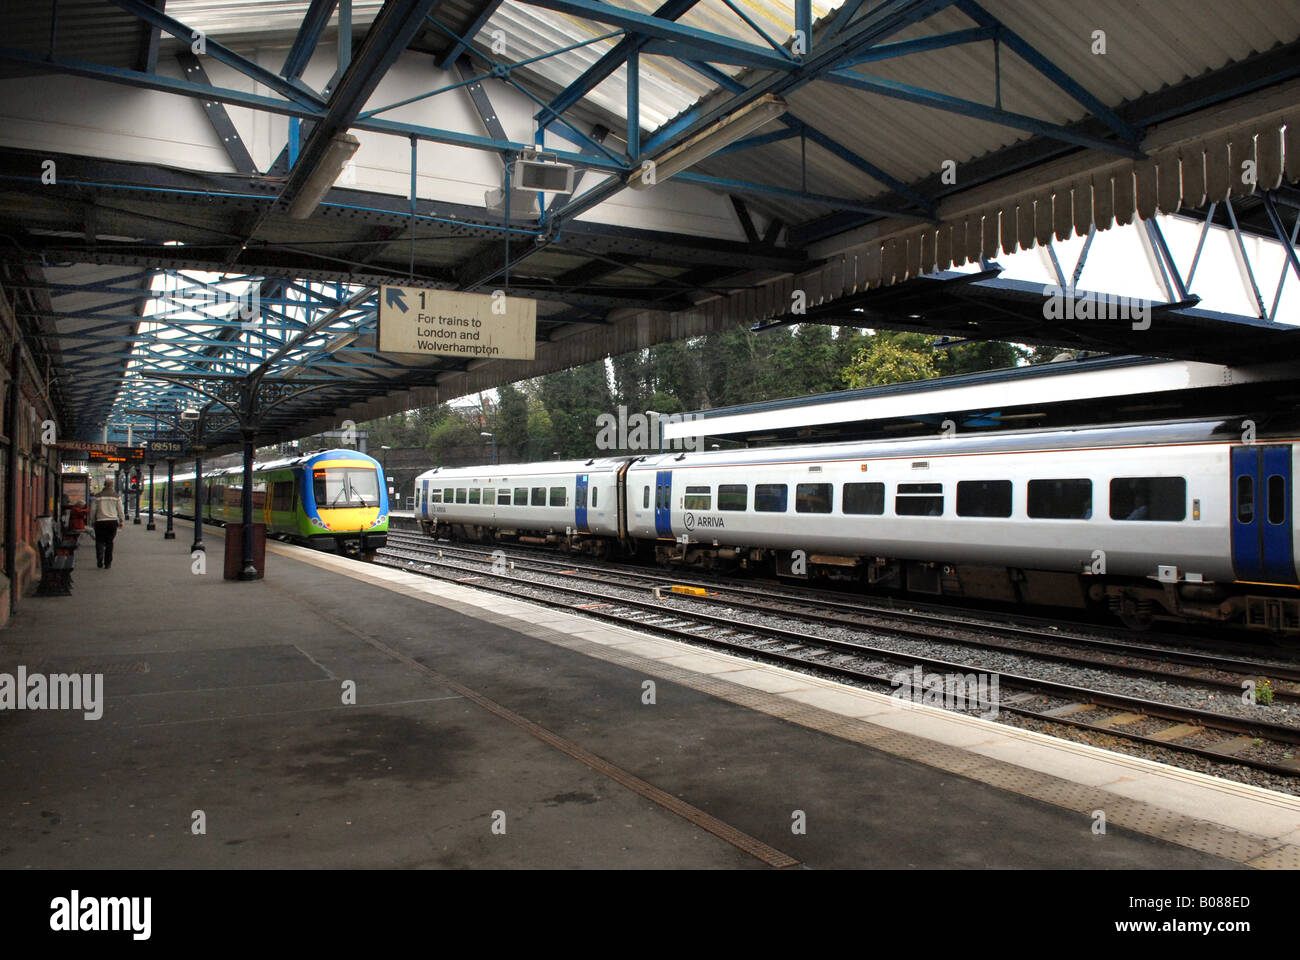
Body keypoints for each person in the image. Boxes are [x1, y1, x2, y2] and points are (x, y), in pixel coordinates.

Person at [90, 479, 125, 568]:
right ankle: (108, 563)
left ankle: (99, 558)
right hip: (112, 522)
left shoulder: (97, 496)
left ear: (104, 485)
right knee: (110, 542)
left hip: (100, 522)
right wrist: (121, 520)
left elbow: (93, 510)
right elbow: (120, 510)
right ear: (112, 485)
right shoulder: (116, 496)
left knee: (99, 541)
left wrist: (92, 521)